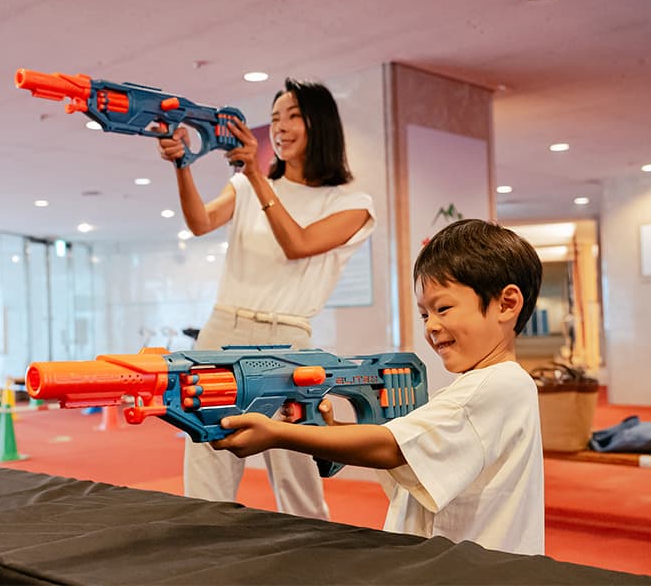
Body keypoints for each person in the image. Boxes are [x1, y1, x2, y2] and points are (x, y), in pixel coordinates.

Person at [212, 219, 545, 555]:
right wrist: (333, 431)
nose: (432, 326)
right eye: (424, 315)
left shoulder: (496, 385)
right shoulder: (491, 385)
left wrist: (277, 434)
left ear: (506, 304)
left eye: (443, 308)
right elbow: (410, 454)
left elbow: (393, 448)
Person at [157, 78, 376, 520]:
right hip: (222, 329)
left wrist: (255, 174)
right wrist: (182, 164)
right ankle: (205, 548)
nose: (281, 127)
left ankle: (314, 549)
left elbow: (298, 244)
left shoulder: (352, 203)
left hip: (288, 337)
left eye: (294, 115)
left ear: (321, 124)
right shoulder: (243, 189)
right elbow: (200, 223)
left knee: (295, 457)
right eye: (275, 117)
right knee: (207, 445)